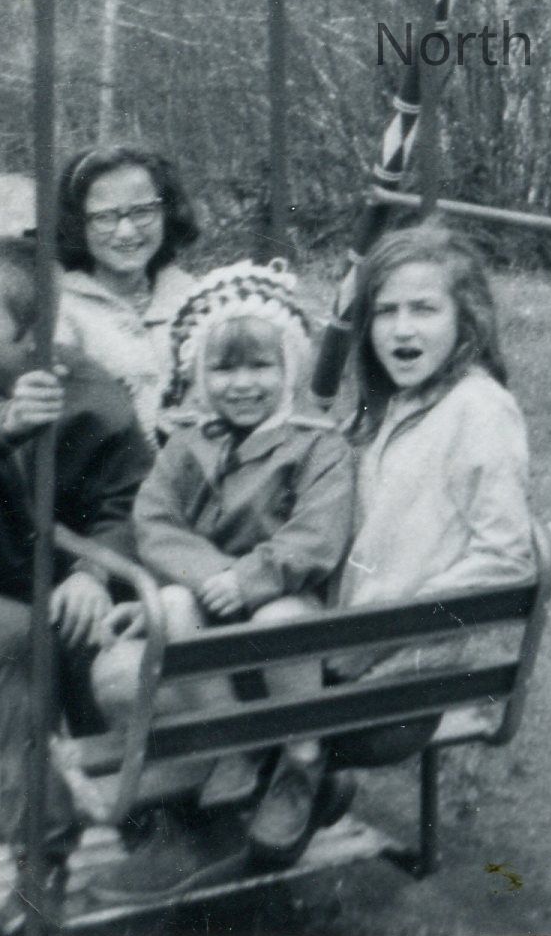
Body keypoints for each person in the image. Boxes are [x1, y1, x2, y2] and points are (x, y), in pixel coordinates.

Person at [0, 236, 154, 915]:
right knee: (26, 642)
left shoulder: (90, 393)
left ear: (32, 334)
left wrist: (94, 574)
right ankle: (41, 857)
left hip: (60, 590)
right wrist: (0, 422)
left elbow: (127, 500)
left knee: (112, 640)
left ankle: (151, 810)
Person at [92, 263, 356, 895]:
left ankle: (300, 758)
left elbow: (316, 535)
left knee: (279, 620)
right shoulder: (189, 443)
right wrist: (214, 574)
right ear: (198, 374)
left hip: (283, 603)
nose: (242, 386)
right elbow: (155, 522)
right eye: (225, 369)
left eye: (260, 368)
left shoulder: (316, 446)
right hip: (213, 603)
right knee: (177, 602)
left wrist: (251, 578)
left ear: (289, 367)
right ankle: (235, 741)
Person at [328, 223, 537, 765]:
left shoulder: (479, 410)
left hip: (399, 683)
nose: (401, 330)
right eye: (385, 311)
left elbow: (506, 560)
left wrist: (377, 639)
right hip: (338, 659)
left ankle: (301, 786)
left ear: (466, 318)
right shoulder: (387, 407)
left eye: (424, 309)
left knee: (222, 712)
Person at [52, 143, 202, 443]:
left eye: (143, 212)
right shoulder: (60, 311)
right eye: (105, 217)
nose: (126, 232)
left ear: (167, 212)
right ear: (77, 224)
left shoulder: (196, 298)